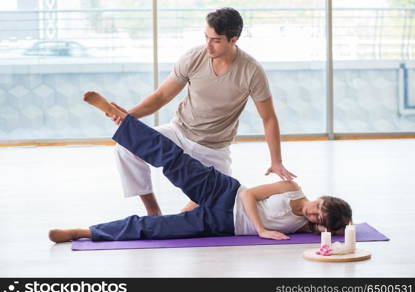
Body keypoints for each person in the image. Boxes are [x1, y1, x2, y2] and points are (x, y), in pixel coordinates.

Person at [48, 93, 352, 243]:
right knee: (173, 158)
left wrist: (335, 225)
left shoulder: (308, 228)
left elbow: (342, 231)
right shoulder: (292, 189)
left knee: (156, 229)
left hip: (221, 223)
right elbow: (249, 196)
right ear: (321, 197)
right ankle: (122, 118)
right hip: (225, 192)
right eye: (317, 208)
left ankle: (84, 231)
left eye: (318, 218)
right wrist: (261, 230)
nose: (311, 213)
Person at [105, 7, 296, 216]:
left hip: (214, 148)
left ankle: (180, 217)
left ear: (234, 39)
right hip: (179, 132)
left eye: (216, 40)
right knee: (125, 146)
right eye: (206, 37)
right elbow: (161, 96)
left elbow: (268, 118)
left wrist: (276, 161)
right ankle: (153, 211)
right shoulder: (194, 57)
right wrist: (128, 116)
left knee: (218, 207)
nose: (208, 46)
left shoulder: (251, 71)